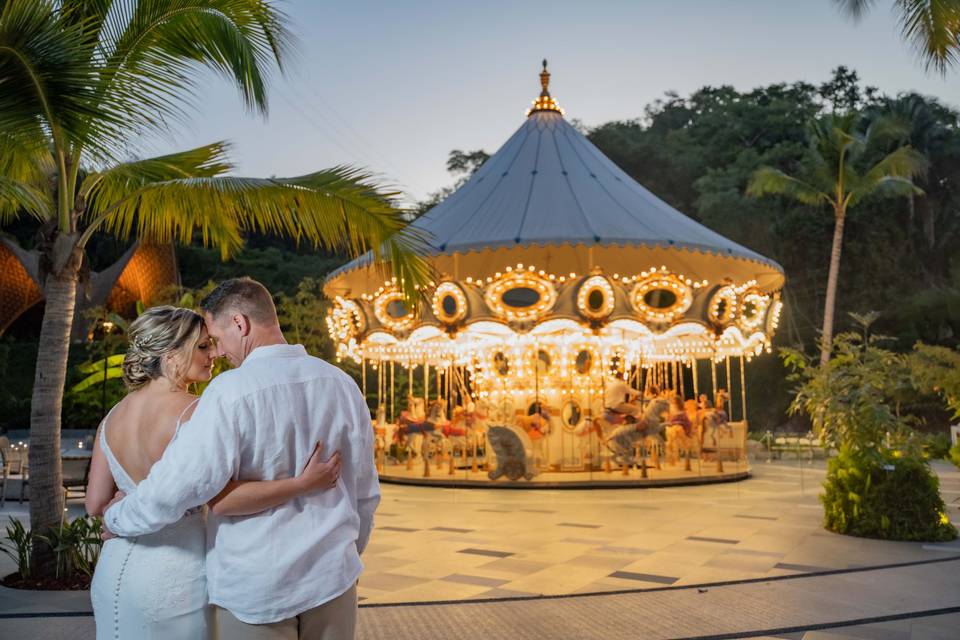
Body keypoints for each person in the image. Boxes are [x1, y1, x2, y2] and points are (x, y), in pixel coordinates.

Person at [103, 278, 380, 639]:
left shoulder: (230, 392)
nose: (216, 353)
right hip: (333, 579)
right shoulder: (342, 384)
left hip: (258, 585)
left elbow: (177, 486)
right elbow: (365, 494)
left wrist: (118, 517)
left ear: (240, 324)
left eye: (216, 339)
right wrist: (342, 553)